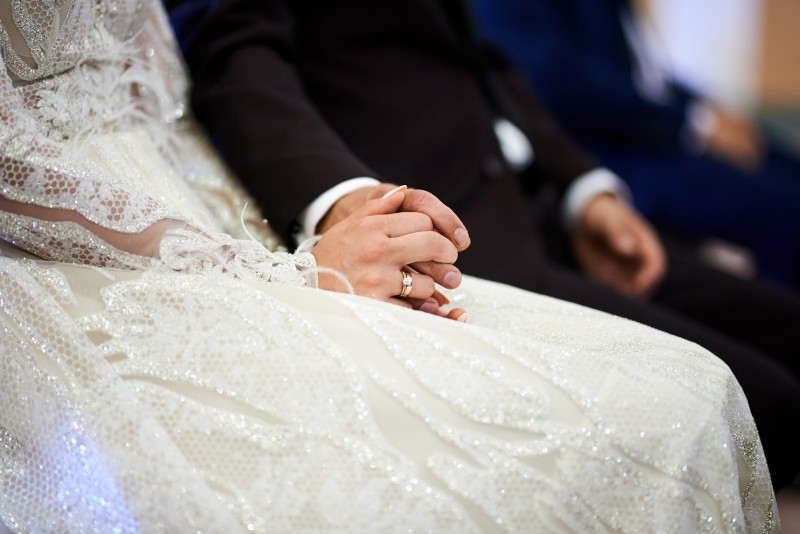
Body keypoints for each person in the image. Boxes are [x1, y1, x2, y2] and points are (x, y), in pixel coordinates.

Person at [0, 0, 780, 530]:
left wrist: (583, 186)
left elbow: (483, 60)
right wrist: (285, 251)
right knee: (665, 413)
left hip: (212, 193)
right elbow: (228, 48)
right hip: (97, 244)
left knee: (708, 387)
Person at [473, 0, 800, 289]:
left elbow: (643, 77)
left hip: (648, 137)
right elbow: (557, 82)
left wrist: (704, 110)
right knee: (787, 213)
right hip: (608, 152)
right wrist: (693, 123)